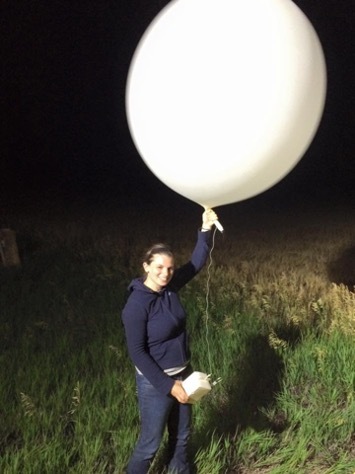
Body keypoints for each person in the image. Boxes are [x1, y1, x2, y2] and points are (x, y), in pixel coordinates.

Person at [122, 208, 219, 474]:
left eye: (170, 268)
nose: (165, 273)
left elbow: (197, 263)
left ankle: (180, 470)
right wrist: (168, 385)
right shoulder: (136, 305)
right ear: (146, 266)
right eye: (159, 268)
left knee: (182, 436)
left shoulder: (171, 287)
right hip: (156, 383)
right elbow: (137, 352)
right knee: (149, 445)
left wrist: (205, 229)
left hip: (184, 374)